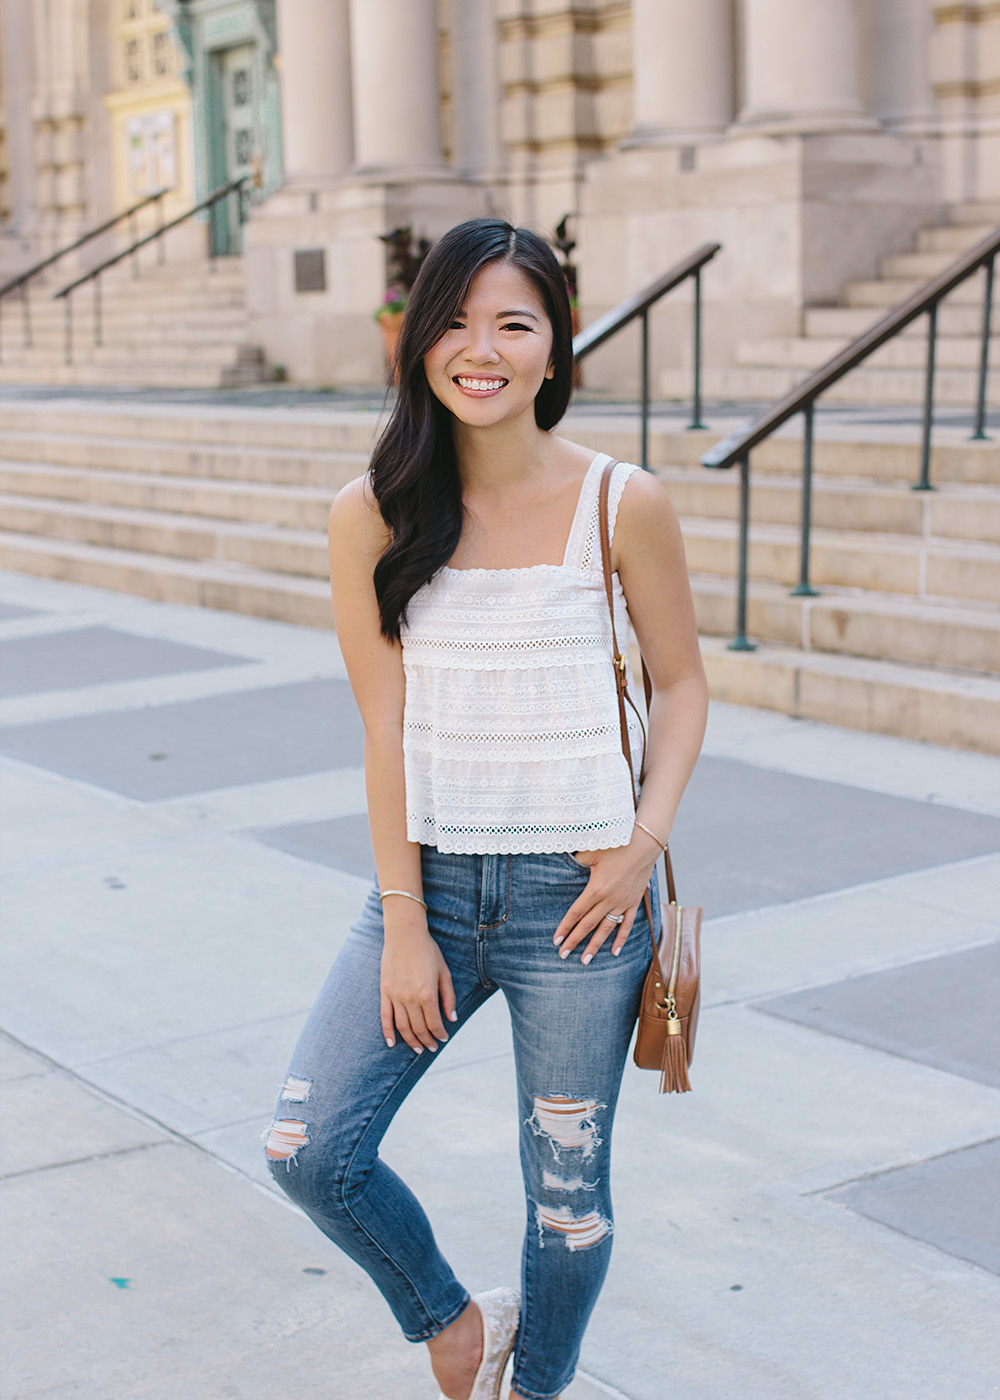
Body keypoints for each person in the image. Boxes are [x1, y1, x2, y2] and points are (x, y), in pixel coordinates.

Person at [264, 217, 708, 1400]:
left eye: (513, 322)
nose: (482, 349)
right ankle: (452, 1319)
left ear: (556, 348)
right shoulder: (370, 512)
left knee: (566, 1197)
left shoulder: (623, 503)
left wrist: (638, 849)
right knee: (310, 1150)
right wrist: (405, 922)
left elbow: (683, 685)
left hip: (584, 908)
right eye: (454, 321)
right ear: (416, 345)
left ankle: (537, 1382)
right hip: (431, 886)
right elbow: (381, 727)